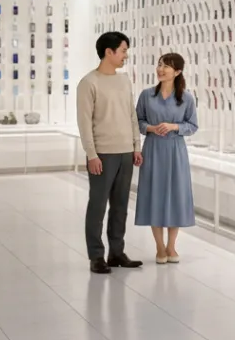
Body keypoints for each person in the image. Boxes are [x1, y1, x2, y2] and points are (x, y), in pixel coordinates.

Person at [76, 32, 143, 275]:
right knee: (97, 205)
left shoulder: (124, 81)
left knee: (120, 206)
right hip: (102, 154)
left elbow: (131, 115)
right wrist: (91, 154)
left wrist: (136, 146)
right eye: (123, 51)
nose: (126, 55)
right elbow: (84, 122)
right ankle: (96, 256)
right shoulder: (88, 82)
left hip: (126, 152)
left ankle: (116, 252)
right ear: (109, 52)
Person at [135, 53, 199, 264]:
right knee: (154, 194)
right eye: (160, 65)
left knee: (175, 195)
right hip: (153, 149)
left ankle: (171, 245)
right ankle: (159, 246)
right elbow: (137, 121)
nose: (161, 69)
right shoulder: (146, 95)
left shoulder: (186, 98)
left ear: (177, 72)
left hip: (175, 151)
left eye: (166, 66)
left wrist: (174, 126)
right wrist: (151, 128)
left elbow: (193, 126)